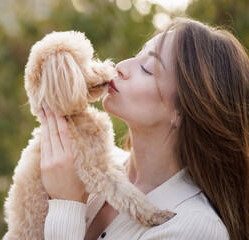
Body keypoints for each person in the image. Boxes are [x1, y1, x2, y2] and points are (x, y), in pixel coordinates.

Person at [39, 17, 249, 240]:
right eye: (134, 56)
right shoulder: (73, 167)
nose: (120, 67)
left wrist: (67, 205)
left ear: (183, 110)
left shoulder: (196, 228)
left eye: (146, 68)